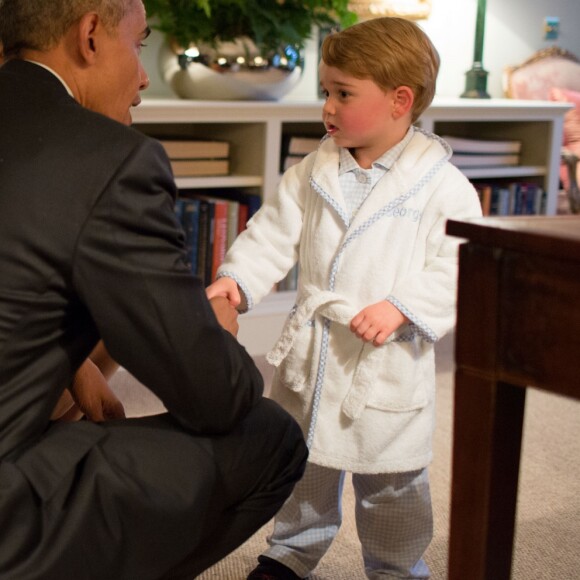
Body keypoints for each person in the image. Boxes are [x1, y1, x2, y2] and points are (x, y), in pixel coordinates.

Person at [0, 1, 308, 579]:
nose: (143, 77)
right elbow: (213, 395)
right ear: (90, 35)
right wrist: (213, 333)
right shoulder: (108, 160)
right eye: (139, 45)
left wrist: (68, 365)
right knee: (270, 437)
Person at [206, 16, 483, 580]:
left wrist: (403, 306)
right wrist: (238, 279)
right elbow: (273, 230)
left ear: (399, 100)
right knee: (304, 465)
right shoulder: (314, 169)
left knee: (393, 485)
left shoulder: (441, 185)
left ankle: (398, 568)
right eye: (325, 93)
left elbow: (459, 263)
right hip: (316, 353)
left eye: (343, 94)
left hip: (387, 363)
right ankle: (290, 552)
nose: (327, 107)